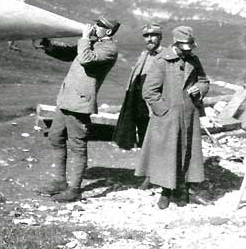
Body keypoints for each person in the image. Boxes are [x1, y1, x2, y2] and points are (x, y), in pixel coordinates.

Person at [35, 16, 120, 202]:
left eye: (100, 26)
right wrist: (50, 47)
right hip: (66, 99)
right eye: (96, 24)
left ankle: (74, 189)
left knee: (77, 145)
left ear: (109, 32)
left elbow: (85, 58)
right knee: (55, 136)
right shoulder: (91, 43)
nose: (95, 27)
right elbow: (70, 54)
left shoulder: (109, 49)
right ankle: (59, 181)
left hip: (80, 103)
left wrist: (84, 38)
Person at [135, 26, 210, 209]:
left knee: (188, 154)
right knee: (168, 156)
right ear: (176, 44)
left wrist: (199, 89)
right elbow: (149, 92)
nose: (189, 50)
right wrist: (164, 111)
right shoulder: (162, 61)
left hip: (189, 116)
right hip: (168, 118)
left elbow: (204, 81)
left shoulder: (193, 59)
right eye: (185, 46)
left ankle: (184, 190)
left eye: (191, 46)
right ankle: (166, 192)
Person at [113, 22, 163, 151]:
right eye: (146, 36)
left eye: (153, 35)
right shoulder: (144, 55)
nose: (149, 39)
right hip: (138, 102)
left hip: (154, 104)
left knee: (156, 139)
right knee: (142, 135)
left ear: (160, 37)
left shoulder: (165, 56)